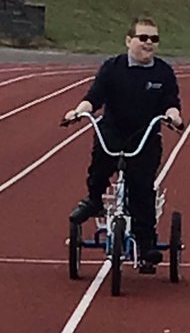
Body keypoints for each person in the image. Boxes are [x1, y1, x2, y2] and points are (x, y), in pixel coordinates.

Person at [63, 15, 183, 274]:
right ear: (129, 41)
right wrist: (78, 112)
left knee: (142, 189)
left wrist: (173, 116)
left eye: (154, 39)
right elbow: (94, 97)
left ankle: (146, 244)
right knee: (99, 168)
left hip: (145, 135)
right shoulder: (112, 67)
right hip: (113, 131)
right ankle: (94, 200)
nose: (149, 43)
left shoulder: (163, 72)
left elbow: (171, 102)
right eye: (143, 37)